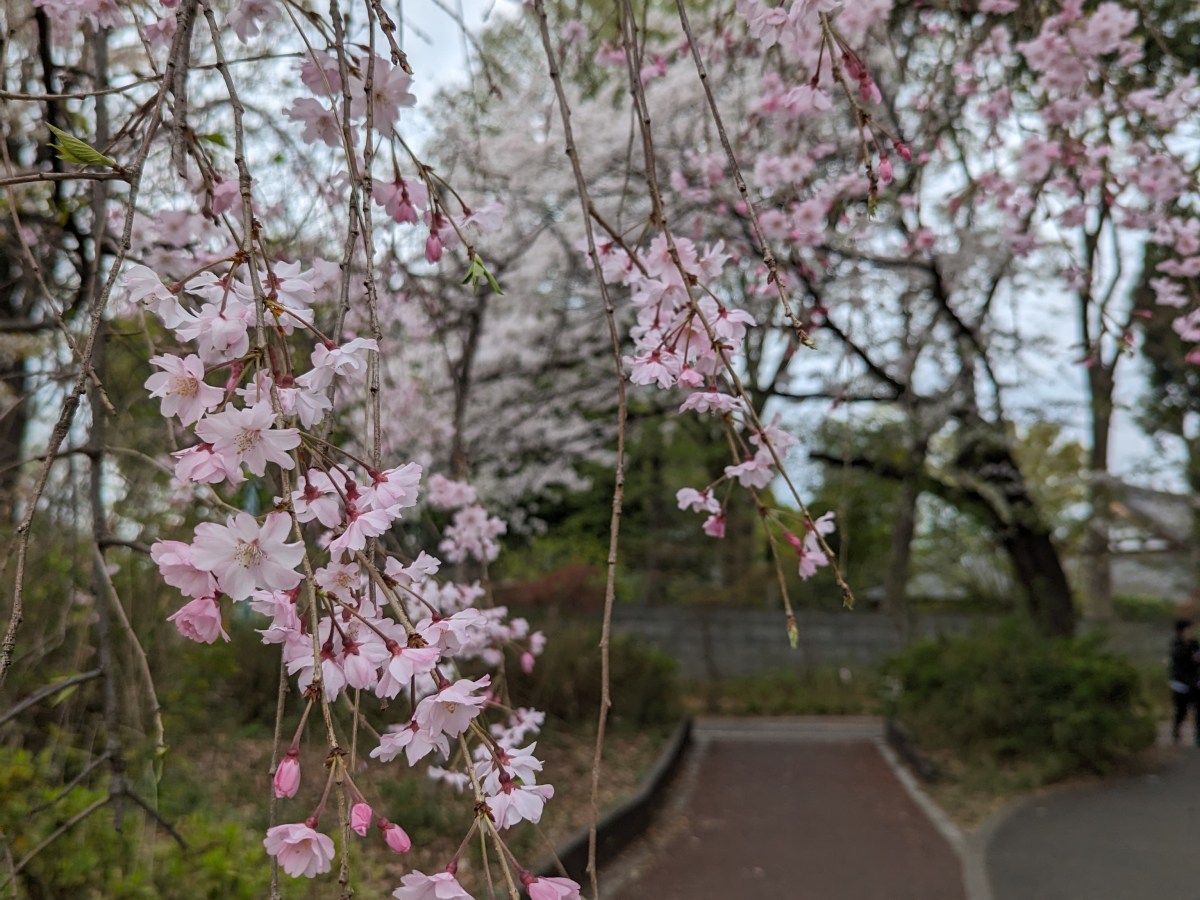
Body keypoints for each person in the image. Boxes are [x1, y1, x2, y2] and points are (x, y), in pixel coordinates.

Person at [1169, 618, 1200, 746]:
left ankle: (1198, 736)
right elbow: (1179, 658)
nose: (1190, 631)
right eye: (1188, 629)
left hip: (1195, 682)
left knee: (1198, 709)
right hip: (1180, 684)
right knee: (1181, 711)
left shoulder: (1195, 643)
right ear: (1181, 631)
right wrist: (1189, 650)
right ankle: (1176, 731)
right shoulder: (1176, 644)